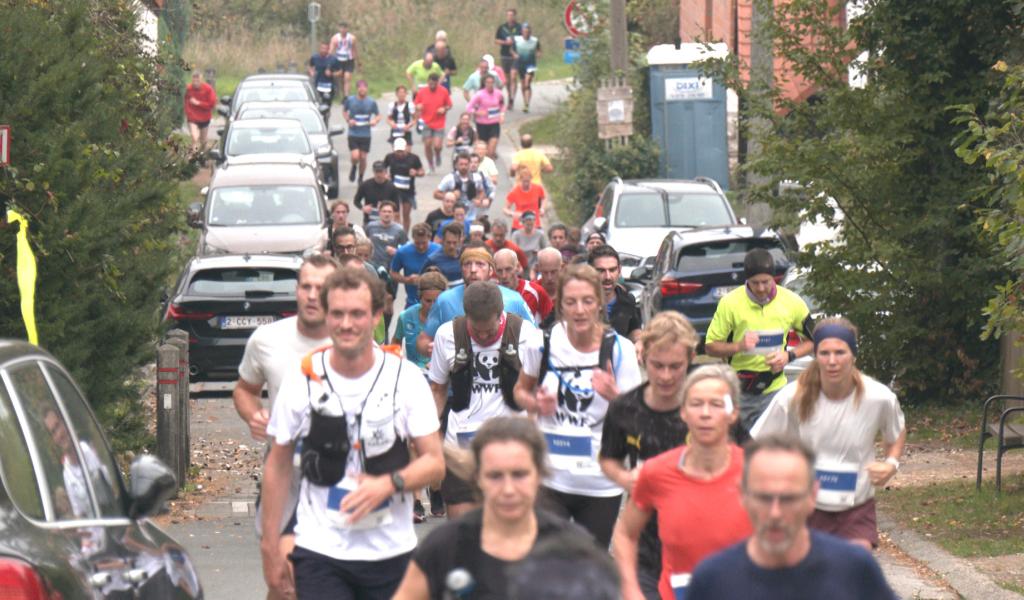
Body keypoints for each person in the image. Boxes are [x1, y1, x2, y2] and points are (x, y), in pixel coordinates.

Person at [260, 267, 444, 599]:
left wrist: (389, 484)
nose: (346, 325)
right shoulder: (302, 377)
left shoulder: (406, 379)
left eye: (357, 314)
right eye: (338, 314)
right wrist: (270, 544)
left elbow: (434, 462)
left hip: (391, 551)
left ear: (376, 316)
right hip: (320, 548)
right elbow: (278, 462)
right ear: (327, 316)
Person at [392, 417, 593, 600]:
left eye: (519, 474)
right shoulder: (443, 547)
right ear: (477, 478)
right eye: (495, 476)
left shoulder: (572, 549)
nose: (508, 489)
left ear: (539, 474)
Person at [513, 264, 643, 547]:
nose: (579, 310)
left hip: (599, 480)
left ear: (599, 303)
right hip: (550, 477)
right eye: (570, 302)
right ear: (560, 305)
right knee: (548, 562)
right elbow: (519, 392)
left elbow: (638, 419)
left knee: (590, 568)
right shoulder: (541, 343)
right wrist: (535, 403)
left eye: (587, 301)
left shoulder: (621, 350)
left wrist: (615, 396)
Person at [234, 255, 339, 599]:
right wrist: (254, 415)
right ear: (296, 291)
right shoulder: (267, 339)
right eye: (305, 286)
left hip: (337, 479)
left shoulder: (354, 346)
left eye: (320, 289)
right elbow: (245, 389)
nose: (311, 295)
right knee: (282, 583)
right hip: (284, 473)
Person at [751, 318, 906, 550]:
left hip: (856, 506)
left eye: (840, 352)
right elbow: (757, 443)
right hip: (804, 506)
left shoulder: (878, 397)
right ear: (815, 355)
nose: (832, 361)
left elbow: (897, 432)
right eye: (824, 353)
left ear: (853, 355)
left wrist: (891, 464)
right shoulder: (792, 397)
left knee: (853, 566)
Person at [686, 435, 899, 599]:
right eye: (764, 498)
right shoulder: (712, 579)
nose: (775, 513)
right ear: (743, 495)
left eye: (788, 499)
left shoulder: (853, 568)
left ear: (812, 496)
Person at [612, 364, 753, 600]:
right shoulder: (656, 472)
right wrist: (630, 590)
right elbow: (625, 533)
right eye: (696, 404)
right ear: (683, 412)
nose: (705, 413)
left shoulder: (758, 473)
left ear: (733, 413)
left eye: (717, 404)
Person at [599, 312, 696, 600]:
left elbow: (746, 457)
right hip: (646, 540)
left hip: (699, 540)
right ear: (643, 357)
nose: (665, 376)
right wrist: (625, 478)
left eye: (675, 366)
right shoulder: (625, 408)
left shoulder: (706, 405)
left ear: (690, 358)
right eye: (657, 366)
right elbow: (608, 458)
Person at [426, 282, 539, 519]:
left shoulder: (526, 334)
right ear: (466, 316)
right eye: (477, 332)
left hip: (511, 444)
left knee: (510, 528)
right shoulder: (447, 335)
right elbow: (437, 389)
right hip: (461, 448)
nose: (484, 336)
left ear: (501, 315)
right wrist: (431, 437)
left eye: (490, 330)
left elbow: (534, 392)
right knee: (462, 531)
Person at [705, 248, 814, 436]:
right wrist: (739, 346)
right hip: (739, 390)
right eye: (755, 283)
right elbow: (710, 347)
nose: (762, 288)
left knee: (772, 450)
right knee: (740, 450)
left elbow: (814, 340)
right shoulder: (730, 303)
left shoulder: (792, 302)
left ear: (774, 278)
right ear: (747, 280)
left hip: (774, 388)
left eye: (766, 282)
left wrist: (789, 355)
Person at [416, 247, 533, 358]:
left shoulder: (514, 299)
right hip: (457, 373)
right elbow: (424, 339)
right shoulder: (445, 300)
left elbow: (535, 338)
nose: (473, 270)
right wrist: (429, 348)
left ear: (491, 270)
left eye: (480, 264)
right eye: (467, 264)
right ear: (461, 269)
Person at [392, 271, 448, 369]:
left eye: (437, 301)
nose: (432, 306)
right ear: (419, 297)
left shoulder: (450, 318)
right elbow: (396, 343)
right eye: (428, 301)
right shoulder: (405, 317)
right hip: (412, 374)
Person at [588, 244, 642, 343]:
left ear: (619, 270)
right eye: (601, 271)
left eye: (612, 270)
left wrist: (638, 342)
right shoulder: (577, 303)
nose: (608, 277)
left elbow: (634, 328)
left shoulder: (628, 300)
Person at [494, 248, 553, 325]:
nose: (504, 275)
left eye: (508, 269)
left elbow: (552, 321)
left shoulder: (535, 291)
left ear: (517, 267)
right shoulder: (492, 295)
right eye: (499, 271)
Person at [390, 222, 440, 308]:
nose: (421, 246)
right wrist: (407, 280)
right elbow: (393, 273)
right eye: (417, 243)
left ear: (429, 237)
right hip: (413, 302)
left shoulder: (438, 251)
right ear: (413, 238)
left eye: (424, 243)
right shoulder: (403, 252)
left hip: (436, 301)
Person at [342, 80, 381, 183]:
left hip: (365, 134)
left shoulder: (371, 102)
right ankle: (354, 166)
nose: (362, 90)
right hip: (353, 132)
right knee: (355, 156)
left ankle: (360, 177)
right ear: (357, 89)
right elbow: (344, 111)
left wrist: (374, 121)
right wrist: (348, 120)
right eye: (360, 88)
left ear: (367, 89)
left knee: (363, 157)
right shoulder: (350, 100)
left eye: (364, 88)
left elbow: (378, 115)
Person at [383, 137, 425, 231]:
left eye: (401, 151)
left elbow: (422, 172)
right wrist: (386, 175)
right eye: (397, 151)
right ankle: (398, 233)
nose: (399, 153)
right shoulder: (389, 157)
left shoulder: (414, 158)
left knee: (406, 215)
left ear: (406, 148)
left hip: (408, 191)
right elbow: (383, 168)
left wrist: (416, 173)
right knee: (396, 214)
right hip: (394, 190)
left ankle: (404, 235)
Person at [413, 73, 452, 172]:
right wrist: (418, 107)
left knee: (437, 146)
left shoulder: (443, 91)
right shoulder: (422, 92)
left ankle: (438, 154)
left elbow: (449, 105)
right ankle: (430, 164)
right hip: (425, 122)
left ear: (438, 82)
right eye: (430, 84)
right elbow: (416, 104)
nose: (432, 86)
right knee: (427, 144)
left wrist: (444, 108)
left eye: (434, 84)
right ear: (427, 82)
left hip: (439, 122)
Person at [435, 153, 491, 221]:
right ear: (456, 165)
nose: (463, 167)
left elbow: (481, 191)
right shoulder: (449, 178)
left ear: (469, 164)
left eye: (466, 164)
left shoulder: (477, 178)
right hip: (453, 216)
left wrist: (479, 200)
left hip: (471, 216)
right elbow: (436, 194)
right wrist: (450, 196)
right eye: (461, 164)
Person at [466, 74, 505, 159]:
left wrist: (502, 115)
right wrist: (477, 113)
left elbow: (502, 105)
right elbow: (468, 108)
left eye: (491, 82)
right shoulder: (479, 94)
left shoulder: (498, 93)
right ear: (484, 83)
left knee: (491, 150)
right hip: (482, 125)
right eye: (488, 82)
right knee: (483, 152)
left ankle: (490, 163)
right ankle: (484, 167)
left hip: (494, 124)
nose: (490, 84)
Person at [364, 201, 407, 268]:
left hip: (390, 266)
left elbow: (406, 248)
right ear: (379, 213)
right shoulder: (370, 226)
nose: (387, 214)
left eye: (389, 212)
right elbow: (362, 242)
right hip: (372, 264)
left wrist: (397, 251)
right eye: (384, 211)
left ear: (394, 214)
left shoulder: (399, 229)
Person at [494, 8, 522, 109]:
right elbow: (496, 40)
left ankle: (512, 99)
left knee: (514, 77)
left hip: (516, 55)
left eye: (512, 15)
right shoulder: (502, 27)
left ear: (515, 16)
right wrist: (505, 42)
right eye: (508, 15)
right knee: (507, 79)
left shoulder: (520, 27)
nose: (510, 17)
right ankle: (509, 95)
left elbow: (524, 39)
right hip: (505, 54)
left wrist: (515, 41)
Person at [184, 70, 216, 154]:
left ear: (201, 80)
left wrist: (198, 103)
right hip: (192, 118)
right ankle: (193, 157)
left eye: (198, 81)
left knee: (203, 141)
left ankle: (203, 155)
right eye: (194, 81)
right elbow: (186, 103)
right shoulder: (188, 89)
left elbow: (211, 104)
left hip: (204, 118)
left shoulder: (208, 89)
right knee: (195, 137)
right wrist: (189, 113)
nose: (195, 83)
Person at [504, 165, 546, 230]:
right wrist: (512, 213)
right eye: (524, 181)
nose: (526, 184)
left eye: (528, 181)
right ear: (520, 180)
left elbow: (543, 198)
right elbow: (505, 209)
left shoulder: (538, 188)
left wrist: (542, 208)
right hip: (519, 225)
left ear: (531, 179)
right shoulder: (515, 191)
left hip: (535, 224)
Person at [511, 23, 540, 112]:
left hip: (530, 64)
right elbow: (511, 49)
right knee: (518, 80)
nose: (526, 33)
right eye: (524, 32)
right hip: (519, 63)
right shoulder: (517, 39)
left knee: (527, 83)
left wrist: (538, 54)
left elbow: (539, 50)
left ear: (530, 32)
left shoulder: (535, 40)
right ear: (522, 32)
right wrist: (514, 54)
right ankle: (518, 100)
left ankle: (527, 104)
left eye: (527, 32)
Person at [533, 247, 564, 323]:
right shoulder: (531, 291)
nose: (549, 277)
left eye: (553, 272)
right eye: (545, 272)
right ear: (538, 268)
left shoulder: (571, 290)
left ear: (562, 267)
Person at [329, 22, 358, 99]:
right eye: (341, 28)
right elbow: (331, 50)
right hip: (339, 60)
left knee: (347, 78)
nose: (343, 30)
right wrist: (329, 60)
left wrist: (357, 60)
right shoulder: (335, 38)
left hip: (349, 60)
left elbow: (354, 49)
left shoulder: (352, 38)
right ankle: (343, 94)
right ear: (339, 28)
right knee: (341, 79)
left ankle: (346, 96)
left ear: (347, 29)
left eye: (345, 28)